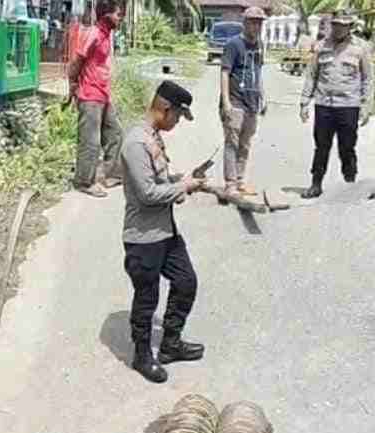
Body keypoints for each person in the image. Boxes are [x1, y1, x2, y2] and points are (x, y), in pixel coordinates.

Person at [120, 80, 207, 384]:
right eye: (179, 116)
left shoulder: (153, 137)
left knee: (186, 282)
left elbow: (159, 180)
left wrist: (183, 179)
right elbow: (146, 194)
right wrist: (182, 187)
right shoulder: (135, 143)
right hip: (143, 238)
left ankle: (170, 344)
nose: (178, 122)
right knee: (147, 299)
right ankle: (142, 355)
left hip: (165, 231)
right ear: (165, 109)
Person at [299, 10, 373, 199]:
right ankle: (316, 184)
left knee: (347, 148)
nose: (339, 28)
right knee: (321, 147)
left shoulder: (360, 48)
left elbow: (367, 79)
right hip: (324, 105)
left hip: (349, 106)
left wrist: (366, 107)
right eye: (336, 24)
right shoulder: (321, 46)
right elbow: (311, 75)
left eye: (343, 25)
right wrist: (304, 102)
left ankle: (350, 184)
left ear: (350, 27)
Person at [67, 0, 124, 198]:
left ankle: (111, 175)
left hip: (103, 94)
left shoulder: (107, 34)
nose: (120, 17)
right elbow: (76, 62)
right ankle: (84, 181)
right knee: (90, 141)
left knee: (115, 133)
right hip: (89, 95)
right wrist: (72, 87)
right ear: (106, 15)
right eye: (117, 14)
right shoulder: (93, 34)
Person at [220, 7, 267, 198]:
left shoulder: (259, 45)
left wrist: (263, 96)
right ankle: (230, 184)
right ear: (245, 22)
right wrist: (226, 103)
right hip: (235, 100)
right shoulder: (233, 45)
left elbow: (258, 72)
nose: (256, 26)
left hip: (252, 102)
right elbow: (224, 72)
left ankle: (240, 181)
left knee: (245, 144)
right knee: (232, 143)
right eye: (253, 22)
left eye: (259, 22)